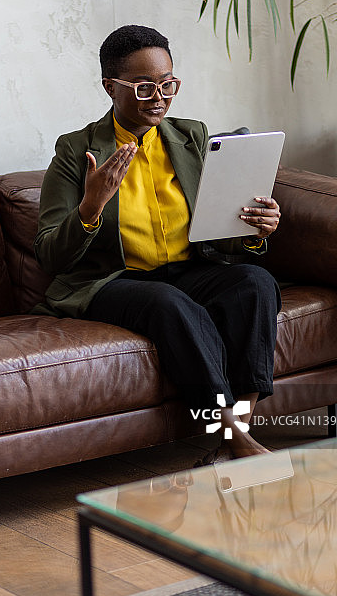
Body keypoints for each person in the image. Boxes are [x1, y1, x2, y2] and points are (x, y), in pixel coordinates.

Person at [34, 25, 281, 462]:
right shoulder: (76, 150)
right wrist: (90, 207)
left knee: (255, 282)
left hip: (188, 269)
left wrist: (255, 230)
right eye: (144, 87)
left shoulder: (192, 136)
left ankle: (234, 432)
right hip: (113, 280)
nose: (160, 98)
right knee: (167, 303)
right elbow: (50, 254)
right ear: (110, 87)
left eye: (168, 85)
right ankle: (236, 439)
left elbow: (218, 232)